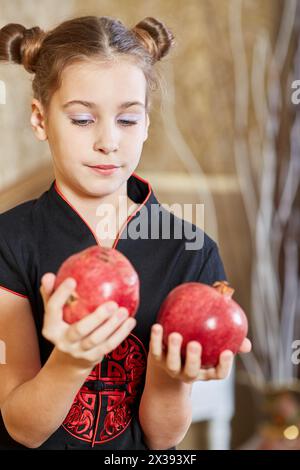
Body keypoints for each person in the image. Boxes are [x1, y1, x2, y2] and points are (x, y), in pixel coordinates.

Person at [0, 15, 251, 450]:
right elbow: (22, 427)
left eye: (128, 120)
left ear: (147, 124)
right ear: (40, 120)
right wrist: (70, 363)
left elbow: (163, 437)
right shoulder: (10, 240)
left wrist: (170, 375)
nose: (108, 141)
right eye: (81, 119)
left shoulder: (190, 252)